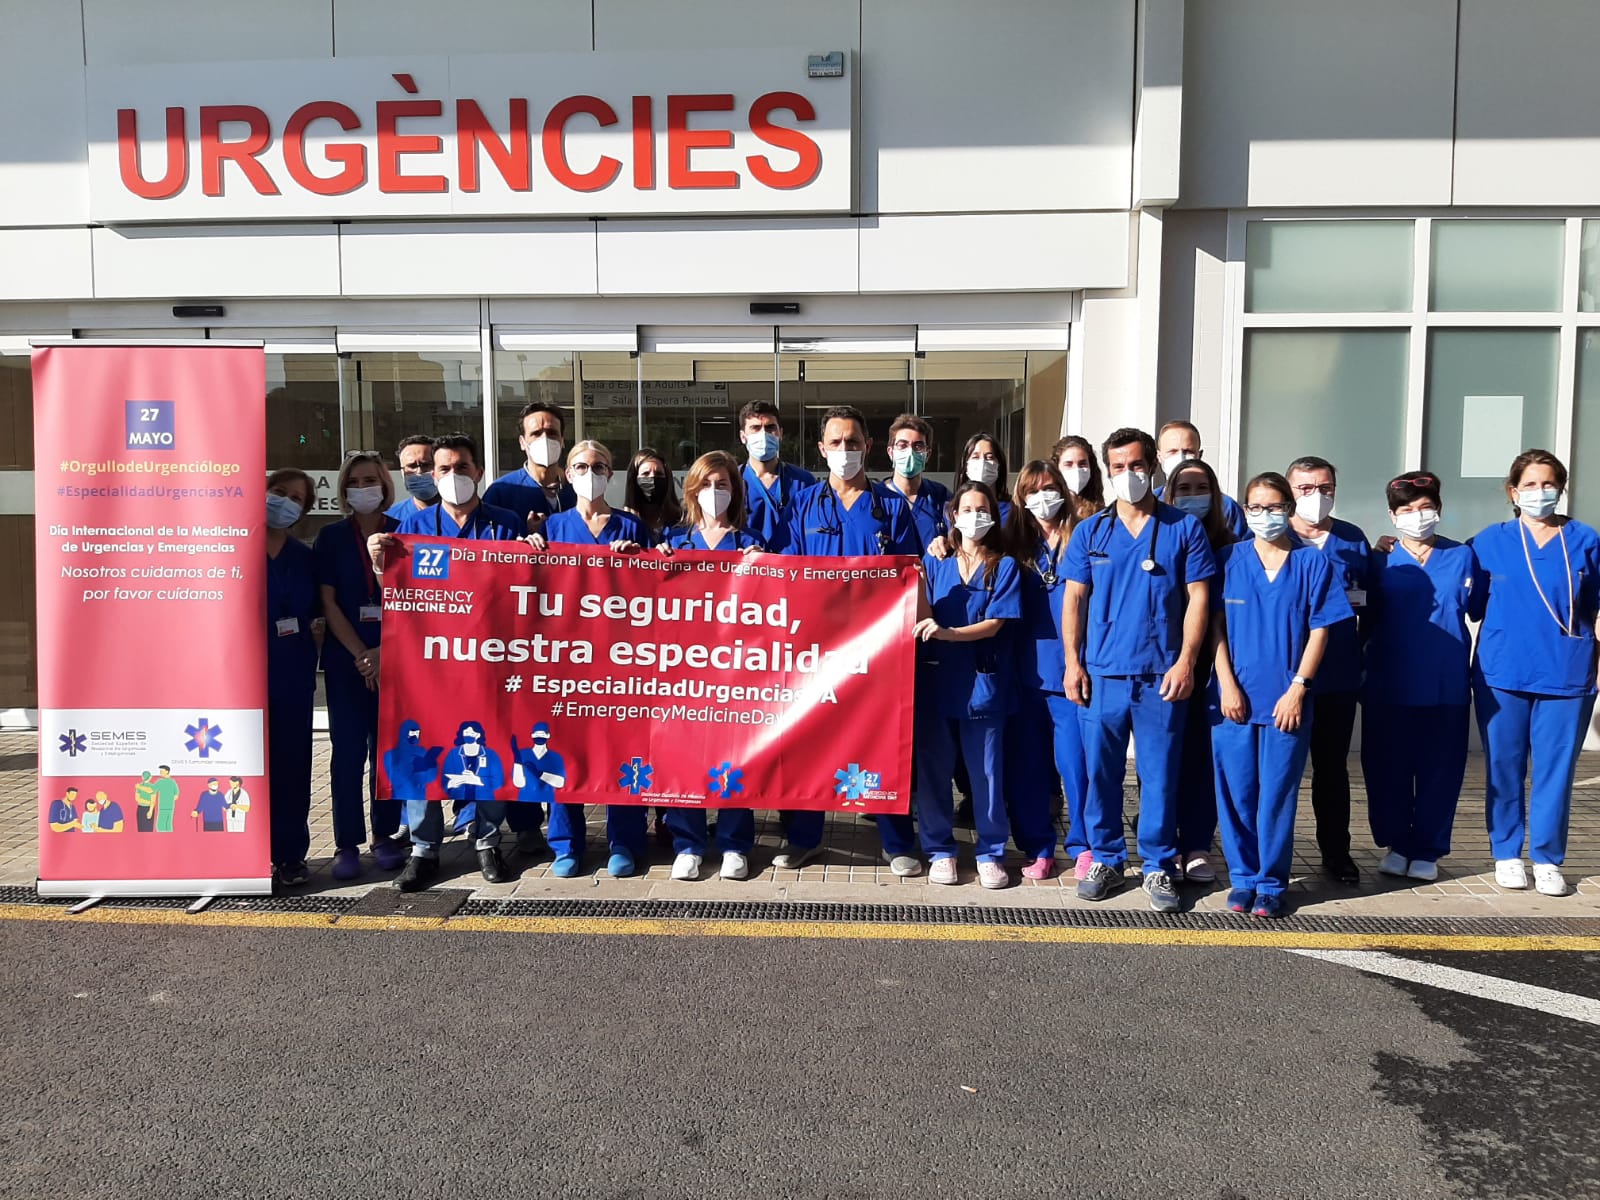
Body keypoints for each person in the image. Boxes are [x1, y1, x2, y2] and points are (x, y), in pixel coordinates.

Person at [1061, 427, 1215, 912]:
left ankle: (1157, 864)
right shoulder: (1092, 532)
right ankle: (1106, 857)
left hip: (1161, 674)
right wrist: (1072, 663)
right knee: (1100, 773)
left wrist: (1187, 660)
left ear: (1153, 466)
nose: (1128, 475)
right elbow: (1074, 601)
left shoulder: (1182, 529)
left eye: (1136, 465)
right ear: (1108, 473)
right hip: (1103, 672)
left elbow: (1199, 599)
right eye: (1118, 467)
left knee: (1160, 774)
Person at [370, 434, 525, 889]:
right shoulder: (408, 533)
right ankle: (423, 848)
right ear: (431, 476)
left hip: (491, 663)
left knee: (491, 747)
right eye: (443, 470)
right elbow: (396, 599)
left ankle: (487, 840)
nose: (453, 477)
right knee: (422, 753)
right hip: (428, 668)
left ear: (478, 472)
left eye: (462, 467)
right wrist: (381, 565)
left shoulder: (506, 525)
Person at [779, 405, 922, 873]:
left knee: (882, 741)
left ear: (869, 447)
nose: (845, 451)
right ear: (821, 450)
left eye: (853, 442)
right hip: (814, 652)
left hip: (876, 652)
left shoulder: (890, 506)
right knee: (808, 742)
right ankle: (804, 837)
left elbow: (911, 574)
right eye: (836, 443)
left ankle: (897, 842)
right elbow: (784, 574)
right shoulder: (802, 505)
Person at [1210, 472, 1351, 918]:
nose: (1265, 515)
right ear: (1244, 510)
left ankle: (1271, 882)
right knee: (1236, 794)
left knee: (1276, 794)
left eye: (1274, 507)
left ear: (1288, 509)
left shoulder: (1312, 563)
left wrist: (1298, 688)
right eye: (1256, 507)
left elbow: (1320, 628)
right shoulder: (1227, 560)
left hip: (1286, 701)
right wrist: (1227, 683)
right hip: (1233, 699)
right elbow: (1212, 627)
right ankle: (1243, 879)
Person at [1469, 449, 1600, 898]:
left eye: (1549, 484)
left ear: (1562, 489)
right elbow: (1467, 600)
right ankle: (1506, 853)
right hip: (1501, 673)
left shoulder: (1585, 539)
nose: (1539, 492)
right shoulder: (1488, 541)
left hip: (1568, 674)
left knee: (1555, 772)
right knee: (1504, 768)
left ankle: (1546, 859)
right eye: (1530, 484)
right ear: (1513, 491)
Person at [529, 439, 654, 878]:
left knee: (622, 751)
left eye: (599, 465)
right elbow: (529, 590)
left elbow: (659, 594)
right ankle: (566, 844)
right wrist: (528, 552)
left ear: (611, 472)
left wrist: (639, 563)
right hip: (567, 664)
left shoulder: (631, 527)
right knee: (567, 753)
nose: (590, 472)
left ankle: (625, 841)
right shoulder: (552, 529)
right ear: (567, 475)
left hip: (622, 663)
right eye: (580, 465)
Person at [1361, 472, 1480, 882]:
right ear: (1393, 517)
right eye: (1407, 509)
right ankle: (1397, 843)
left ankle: (1428, 847)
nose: (1418, 516)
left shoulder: (1463, 556)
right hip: (1387, 680)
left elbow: (1477, 606)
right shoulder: (1380, 559)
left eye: (1425, 507)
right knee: (1387, 767)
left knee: (1440, 769)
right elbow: (1363, 614)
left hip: (1445, 683)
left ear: (1440, 510)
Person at [658, 451, 765, 880]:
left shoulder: (749, 543)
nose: (714, 493)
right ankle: (688, 842)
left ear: (735, 492)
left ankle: (735, 843)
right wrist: (656, 564)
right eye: (706, 485)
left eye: (722, 485)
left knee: (735, 756)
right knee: (686, 757)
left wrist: (766, 567)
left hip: (736, 671)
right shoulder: (674, 542)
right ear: (691, 491)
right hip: (686, 670)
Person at [915, 480, 1019, 888]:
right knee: (934, 771)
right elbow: (919, 610)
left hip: (981, 684)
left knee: (987, 774)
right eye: (966, 509)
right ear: (952, 515)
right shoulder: (937, 561)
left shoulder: (1004, 565)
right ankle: (940, 849)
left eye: (982, 509)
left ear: (992, 516)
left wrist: (950, 634)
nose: (974, 516)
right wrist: (921, 568)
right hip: (936, 678)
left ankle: (991, 851)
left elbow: (996, 623)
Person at [314, 452, 406, 881]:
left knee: (386, 751)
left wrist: (383, 652)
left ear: (385, 485)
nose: (364, 487)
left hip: (394, 656)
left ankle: (385, 835)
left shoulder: (403, 531)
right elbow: (328, 602)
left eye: (371, 479)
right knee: (347, 753)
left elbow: (414, 601)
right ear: (344, 489)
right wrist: (360, 654)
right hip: (347, 659)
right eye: (355, 481)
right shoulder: (330, 537)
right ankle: (345, 843)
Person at [1284, 455, 1372, 885]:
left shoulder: (1353, 539)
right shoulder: (1275, 537)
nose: (1315, 497)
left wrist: (1363, 655)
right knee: (1278, 770)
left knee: (1332, 769)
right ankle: (1272, 854)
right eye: (1304, 489)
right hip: (1282, 675)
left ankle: (1336, 851)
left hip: (1337, 675)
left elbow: (1369, 603)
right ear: (1289, 492)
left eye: (1324, 488)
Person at [1003, 460, 1085, 879]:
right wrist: (941, 544)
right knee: (1027, 769)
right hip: (1021, 672)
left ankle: (1084, 846)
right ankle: (1037, 846)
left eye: (1050, 487)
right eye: (1033, 490)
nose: (1043, 497)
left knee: (1076, 767)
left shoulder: (1083, 536)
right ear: (1021, 496)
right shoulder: (1012, 540)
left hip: (1070, 673)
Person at [1163, 457, 1237, 884]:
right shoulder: (1165, 536)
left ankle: (1197, 844)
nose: (1193, 497)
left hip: (1215, 666)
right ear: (1170, 495)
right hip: (1165, 664)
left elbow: (1220, 616)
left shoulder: (1231, 546)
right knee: (1163, 760)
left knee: (1202, 760)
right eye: (1184, 489)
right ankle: (1165, 842)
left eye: (1201, 487)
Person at [266, 468, 319, 886]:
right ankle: (245, 850)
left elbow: (319, 612)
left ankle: (290, 856)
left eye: (295, 498)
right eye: (278, 492)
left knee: (292, 767)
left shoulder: (304, 557)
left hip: (293, 675)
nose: (284, 502)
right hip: (241, 677)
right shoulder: (230, 550)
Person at [483, 400, 576, 531]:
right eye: (536, 433)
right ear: (522, 442)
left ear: (562, 441)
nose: (545, 439)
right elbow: (486, 545)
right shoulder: (501, 492)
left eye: (552, 433)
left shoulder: (577, 488)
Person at [738, 400, 814, 553]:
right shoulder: (732, 481)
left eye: (770, 427)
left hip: (790, 569)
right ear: (743, 436)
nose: (763, 434)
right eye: (755, 428)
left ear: (780, 434)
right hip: (747, 570)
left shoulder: (803, 482)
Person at [1154, 421, 1248, 539]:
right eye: (1172, 452)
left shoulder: (1226, 507)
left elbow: (1242, 551)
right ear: (1159, 457)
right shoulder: (1151, 504)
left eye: (1188, 451)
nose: (1181, 457)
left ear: (1199, 455)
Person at [884, 413, 951, 552]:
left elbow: (960, 537)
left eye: (918, 446)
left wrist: (948, 542)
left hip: (931, 573)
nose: (910, 452)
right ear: (891, 452)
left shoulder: (940, 496)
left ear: (928, 454)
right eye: (902, 445)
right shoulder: (876, 498)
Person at [623, 447, 683, 542]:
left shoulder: (683, 522)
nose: (652, 478)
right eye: (645, 474)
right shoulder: (623, 525)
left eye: (659, 474)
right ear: (634, 479)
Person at [1052, 435, 1105, 524]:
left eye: (1082, 464)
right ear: (1056, 467)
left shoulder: (1101, 513)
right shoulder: (1051, 509)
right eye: (1068, 464)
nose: (1076, 469)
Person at [386, 434, 439, 520]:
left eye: (426, 465)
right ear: (402, 472)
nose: (419, 472)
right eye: (412, 466)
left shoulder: (461, 515)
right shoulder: (391, 518)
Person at [152, 765, 179, 833]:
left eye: (161, 771)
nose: (160, 772)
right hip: (170, 807)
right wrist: (170, 800)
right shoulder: (173, 782)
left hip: (163, 807)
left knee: (160, 825)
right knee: (168, 825)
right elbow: (176, 795)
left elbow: (152, 790)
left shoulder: (160, 782)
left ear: (167, 771)